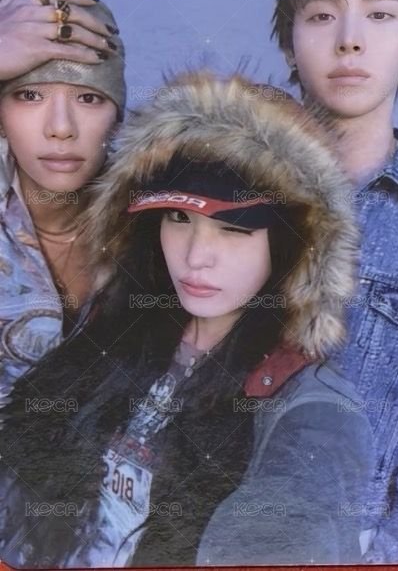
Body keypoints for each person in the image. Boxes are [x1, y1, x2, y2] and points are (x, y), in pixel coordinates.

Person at [0, 71, 373, 567]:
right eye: (179, 218)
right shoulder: (117, 328)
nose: (196, 257)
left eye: (234, 228)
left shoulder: (313, 411)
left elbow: (285, 529)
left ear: (291, 244)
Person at [271, 0, 398, 562]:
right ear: (289, 43)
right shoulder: (222, 185)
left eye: (380, 14)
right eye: (322, 14)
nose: (349, 41)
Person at [0, 0, 126, 398]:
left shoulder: (158, 218)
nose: (60, 128)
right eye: (30, 95)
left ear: (117, 117)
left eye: (89, 98)